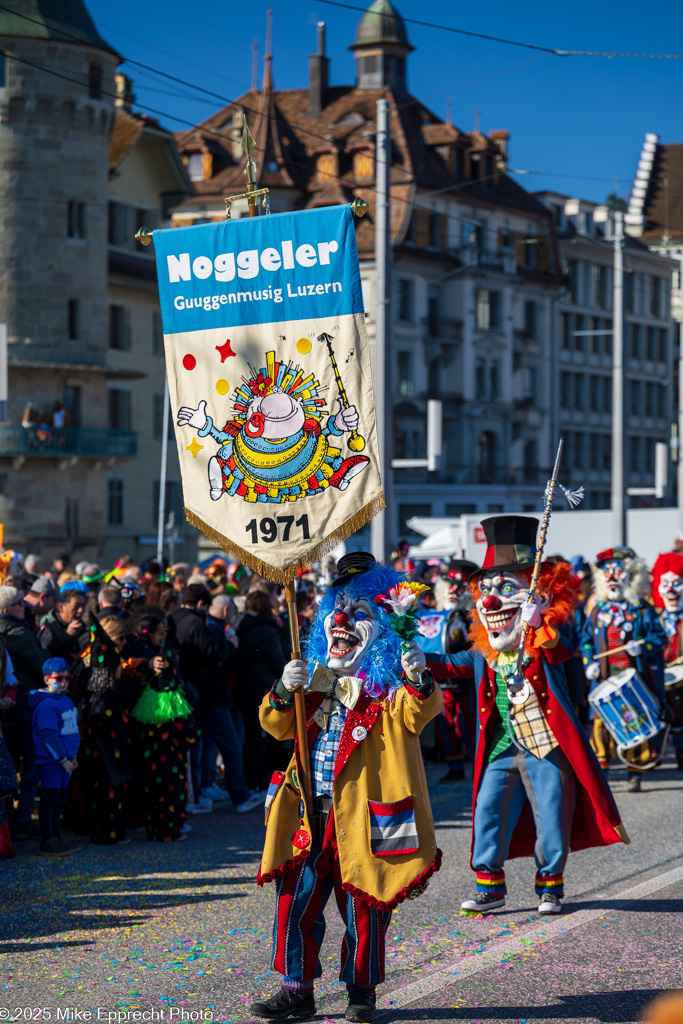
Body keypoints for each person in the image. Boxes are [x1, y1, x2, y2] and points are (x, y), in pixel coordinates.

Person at [251, 553, 442, 1024]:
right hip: (311, 814)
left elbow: (423, 712)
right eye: (338, 608)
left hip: (366, 818)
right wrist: (281, 687)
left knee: (365, 908)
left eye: (359, 612)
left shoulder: (390, 693)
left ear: (381, 630)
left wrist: (418, 674)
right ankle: (296, 990)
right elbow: (274, 726)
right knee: (295, 903)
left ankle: (361, 995)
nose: (342, 620)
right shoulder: (311, 683)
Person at [427, 517, 629, 915]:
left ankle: (550, 887)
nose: (490, 601)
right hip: (503, 745)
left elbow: (562, 650)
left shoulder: (544, 637)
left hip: (546, 744)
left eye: (505, 589)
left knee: (551, 814)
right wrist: (417, 660)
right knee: (487, 809)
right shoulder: (486, 652)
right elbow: (451, 664)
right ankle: (490, 886)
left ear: (536, 594)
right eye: (485, 590)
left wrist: (539, 623)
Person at [580, 547, 668, 792]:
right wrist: (590, 663)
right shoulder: (598, 611)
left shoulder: (642, 609)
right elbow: (586, 639)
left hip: (634, 678)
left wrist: (643, 647)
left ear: (631, 577)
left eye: (617, 572)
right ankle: (602, 770)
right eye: (607, 573)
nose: (611, 578)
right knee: (600, 724)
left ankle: (634, 771)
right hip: (605, 677)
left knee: (635, 721)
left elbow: (659, 638)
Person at [168, 583, 261, 813]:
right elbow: (213, 656)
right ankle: (239, 795)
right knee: (229, 743)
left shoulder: (173, 618)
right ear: (201, 604)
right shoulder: (196, 622)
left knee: (198, 746)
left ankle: (196, 796)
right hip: (209, 693)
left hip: (189, 691)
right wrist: (230, 644)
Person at [130, 615, 197, 842]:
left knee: (170, 776)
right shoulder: (144, 656)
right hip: (159, 728)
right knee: (162, 777)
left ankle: (169, 825)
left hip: (166, 729)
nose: (163, 636)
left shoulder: (164, 652)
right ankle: (164, 827)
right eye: (160, 633)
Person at [76, 618, 133, 845]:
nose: (124, 643)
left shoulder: (91, 658)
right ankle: (108, 832)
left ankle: (102, 830)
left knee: (100, 784)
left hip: (94, 732)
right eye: (120, 638)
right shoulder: (100, 662)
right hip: (102, 736)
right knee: (106, 783)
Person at [0, 585, 48, 839]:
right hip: (23, 703)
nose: (25, 606)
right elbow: (43, 669)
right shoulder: (18, 632)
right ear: (7, 610)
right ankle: (23, 818)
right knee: (32, 759)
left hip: (10, 704)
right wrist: (43, 645)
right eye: (20, 603)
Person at [231, 590, 287, 792]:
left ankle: (250, 777)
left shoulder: (241, 623)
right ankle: (257, 779)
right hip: (260, 686)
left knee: (249, 734)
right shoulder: (264, 629)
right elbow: (277, 661)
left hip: (243, 685)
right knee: (260, 736)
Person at [30, 657, 80, 857]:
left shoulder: (66, 700)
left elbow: (71, 733)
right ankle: (47, 839)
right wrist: (62, 759)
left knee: (60, 800)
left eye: (68, 678)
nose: (65, 682)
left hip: (65, 761)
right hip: (52, 762)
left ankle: (57, 835)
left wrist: (72, 756)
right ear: (47, 679)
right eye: (59, 678)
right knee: (50, 801)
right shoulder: (47, 706)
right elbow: (48, 735)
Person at [649, 550, 683, 770]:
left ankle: (681, 755)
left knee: (681, 719)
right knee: (657, 716)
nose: (670, 590)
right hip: (658, 675)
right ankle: (654, 756)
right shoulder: (653, 616)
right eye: (666, 583)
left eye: (677, 583)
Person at [42, 584, 87, 663]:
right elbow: (53, 658)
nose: (80, 610)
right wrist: (68, 636)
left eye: (83, 606)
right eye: (76, 606)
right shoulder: (49, 628)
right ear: (61, 607)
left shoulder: (83, 626)